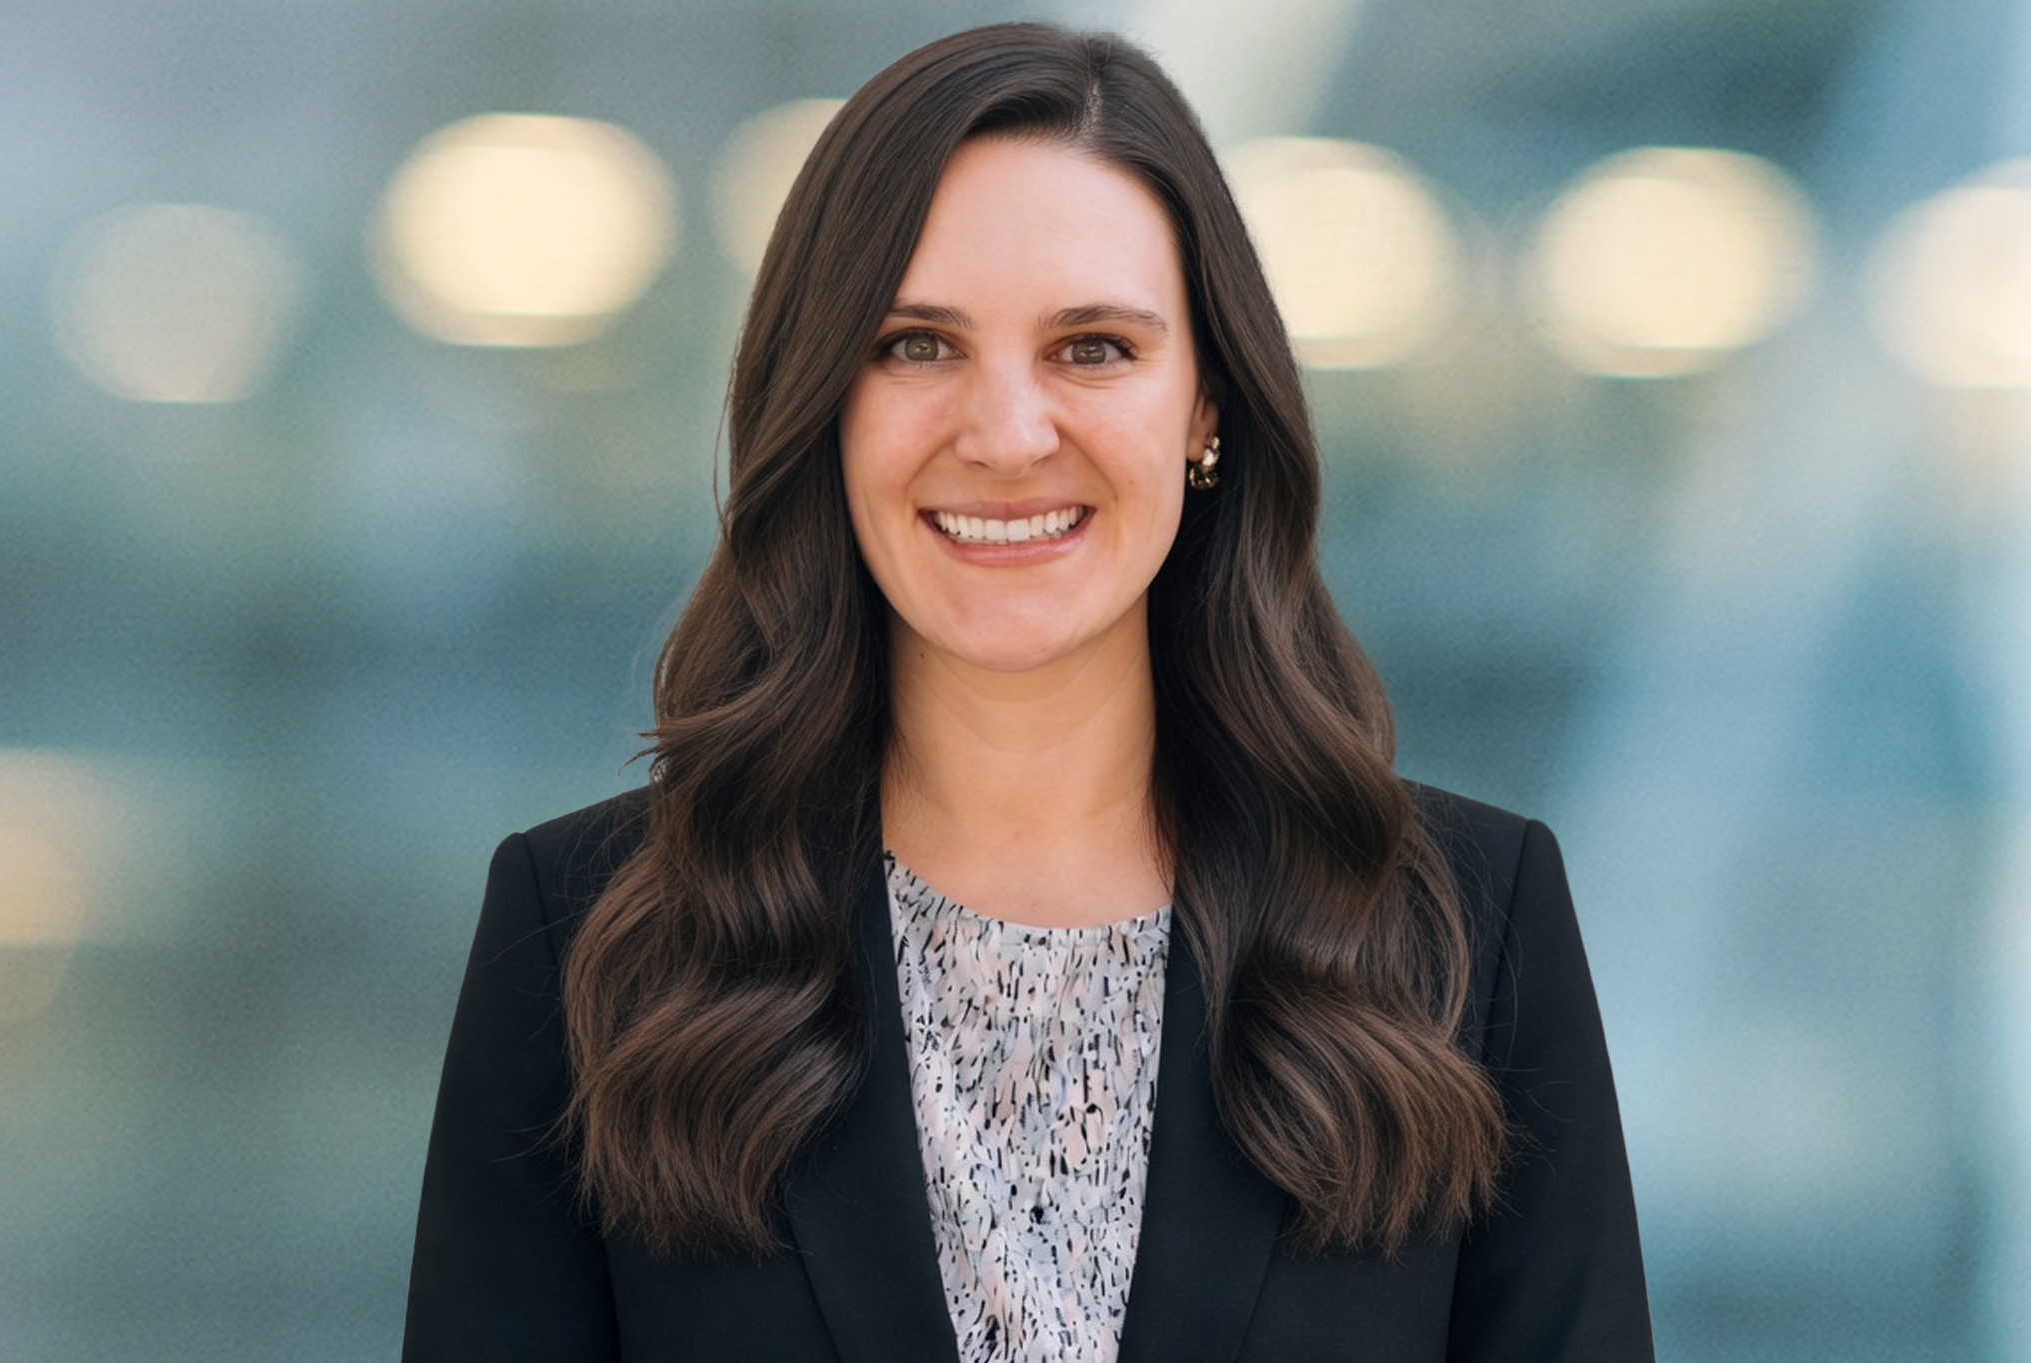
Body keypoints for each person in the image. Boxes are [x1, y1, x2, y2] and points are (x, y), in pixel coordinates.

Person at [403, 21, 1653, 1362]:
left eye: (1094, 348)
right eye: (915, 345)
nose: (1004, 435)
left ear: (1206, 410)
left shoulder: (1468, 930)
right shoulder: (589, 938)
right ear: (820, 403)